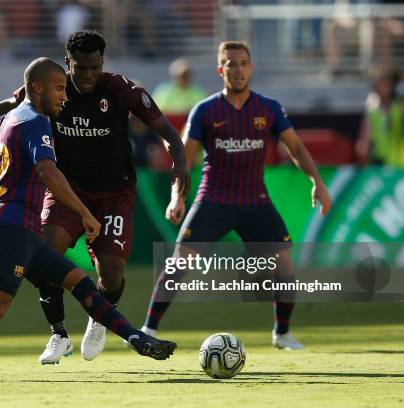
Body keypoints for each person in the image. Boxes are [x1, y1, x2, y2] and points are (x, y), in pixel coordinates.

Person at [0, 58, 176, 381]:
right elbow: (47, 170)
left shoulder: (8, 119)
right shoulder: (35, 121)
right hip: (13, 227)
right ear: (38, 88)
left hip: (24, 229)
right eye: (59, 89)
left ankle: (136, 338)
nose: (64, 96)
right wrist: (84, 213)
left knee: (79, 282)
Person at [141, 41, 332, 350]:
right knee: (179, 263)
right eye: (231, 63)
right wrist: (177, 197)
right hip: (212, 199)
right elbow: (185, 159)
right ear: (221, 70)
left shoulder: (268, 108)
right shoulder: (205, 110)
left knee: (284, 264)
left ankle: (282, 333)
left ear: (251, 68)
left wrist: (318, 183)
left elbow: (295, 147)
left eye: (243, 63)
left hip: (255, 200)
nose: (238, 69)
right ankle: (148, 328)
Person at [356, 68, 404, 167]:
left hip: (399, 165)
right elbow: (368, 138)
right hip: (380, 163)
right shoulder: (373, 111)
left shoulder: (399, 107)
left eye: (386, 84)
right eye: (378, 85)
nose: (381, 88)